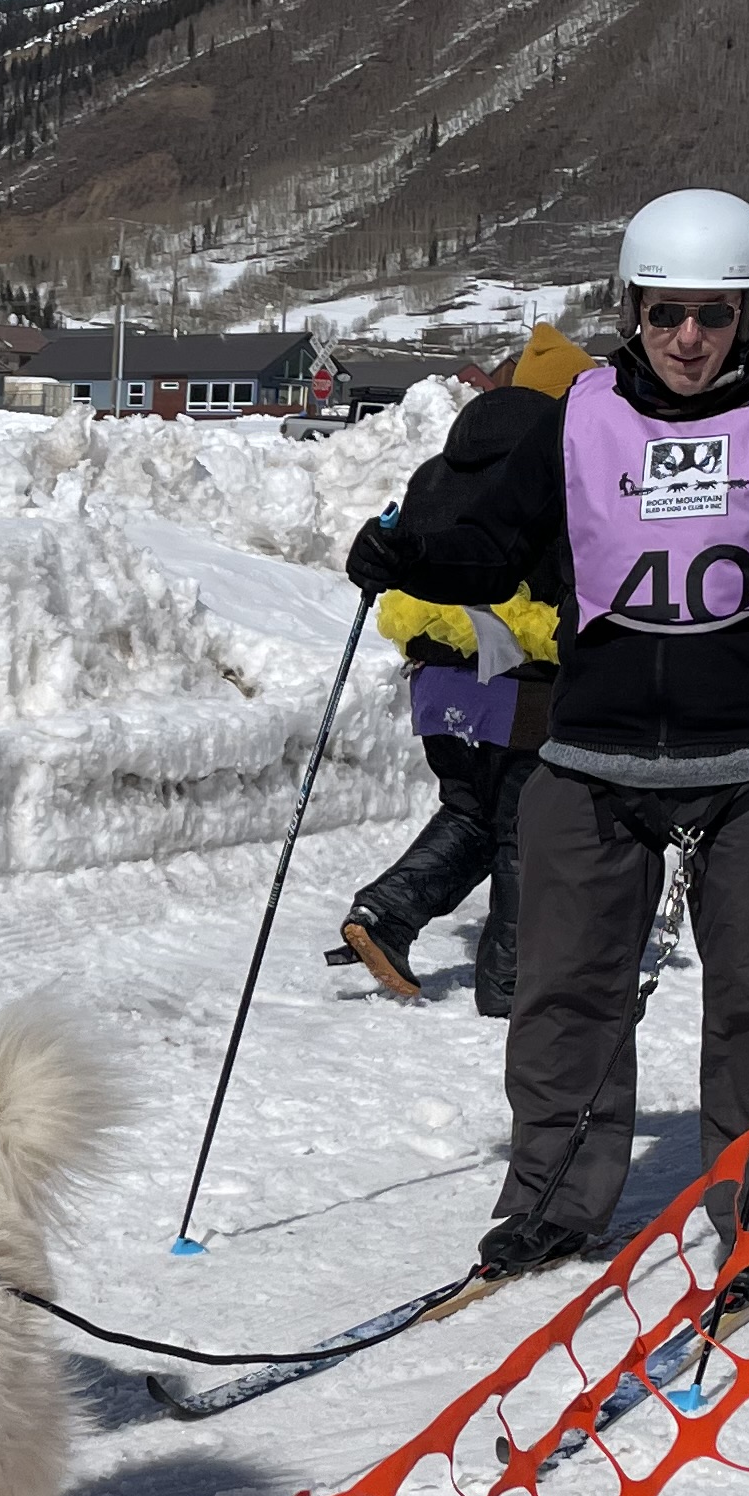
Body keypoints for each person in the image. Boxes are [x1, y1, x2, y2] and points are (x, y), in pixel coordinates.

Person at [344, 190, 749, 1293]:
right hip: (592, 763)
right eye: (667, 312)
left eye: (715, 315)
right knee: (562, 997)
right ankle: (549, 1202)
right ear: (632, 306)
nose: (689, 338)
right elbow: (491, 551)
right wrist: (406, 556)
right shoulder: (576, 418)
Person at [326, 323, 579, 1012]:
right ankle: (510, 982)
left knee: (471, 806)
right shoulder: (556, 468)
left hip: (437, 671)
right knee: (527, 828)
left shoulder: (439, 467)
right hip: (527, 676)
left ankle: (386, 916)